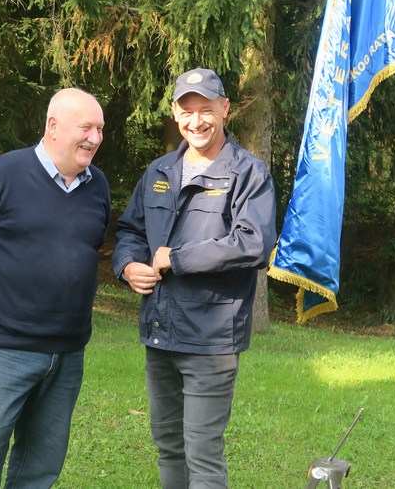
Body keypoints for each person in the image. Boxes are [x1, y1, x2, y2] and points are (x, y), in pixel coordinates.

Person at [113, 68, 276, 488]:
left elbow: (253, 243)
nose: (197, 121)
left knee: (202, 453)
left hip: (211, 338)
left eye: (206, 110)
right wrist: (129, 266)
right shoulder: (159, 171)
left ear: (225, 110)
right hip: (160, 332)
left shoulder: (247, 173)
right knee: (168, 444)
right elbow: (130, 231)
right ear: (174, 113)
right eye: (187, 111)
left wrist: (178, 258)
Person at [0, 88, 112, 488]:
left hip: (68, 350)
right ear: (52, 126)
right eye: (85, 127)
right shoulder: (1, 175)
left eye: (100, 129)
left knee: (43, 460)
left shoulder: (98, 185)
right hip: (6, 345)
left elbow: (91, 247)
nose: (94, 137)